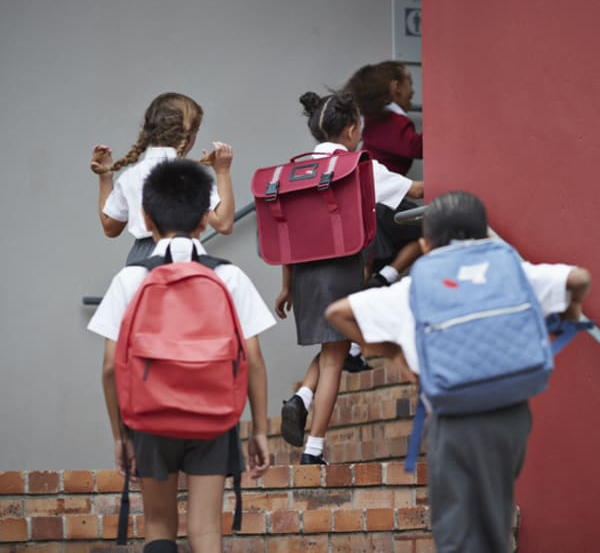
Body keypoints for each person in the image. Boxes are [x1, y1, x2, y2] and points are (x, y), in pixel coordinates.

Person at [325, 191, 592, 553]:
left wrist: (395, 355)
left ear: (424, 243)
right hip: (512, 414)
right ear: (484, 236)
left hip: (454, 417)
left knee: (455, 528)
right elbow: (578, 278)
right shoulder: (512, 270)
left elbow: (338, 313)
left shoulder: (416, 286)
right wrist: (570, 315)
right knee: (492, 520)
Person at [87, 159, 274, 553]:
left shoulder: (131, 279)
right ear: (206, 218)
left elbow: (109, 367)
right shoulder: (229, 276)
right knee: (205, 530)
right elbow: (252, 360)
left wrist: (121, 435)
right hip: (214, 417)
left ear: (145, 217)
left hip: (152, 418)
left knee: (158, 523)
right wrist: (258, 429)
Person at [274, 90, 419, 461]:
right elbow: (415, 190)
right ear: (352, 129)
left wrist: (286, 286)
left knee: (330, 348)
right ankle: (314, 449)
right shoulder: (359, 167)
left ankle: (302, 397)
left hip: (303, 274)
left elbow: (288, 233)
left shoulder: (295, 172)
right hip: (341, 269)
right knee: (335, 357)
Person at [89, 92, 236, 264]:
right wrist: (223, 171)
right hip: (181, 257)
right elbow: (224, 224)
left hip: (140, 260)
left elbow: (110, 228)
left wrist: (105, 177)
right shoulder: (189, 175)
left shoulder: (131, 175)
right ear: (189, 134)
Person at [345, 61, 424, 290]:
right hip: (383, 199)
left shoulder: (376, 121)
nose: (414, 91)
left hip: (376, 200)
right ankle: (383, 279)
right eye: (409, 82)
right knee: (432, 228)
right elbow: (415, 147)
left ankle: (378, 279)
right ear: (396, 87)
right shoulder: (389, 121)